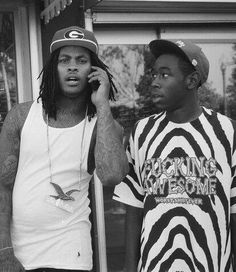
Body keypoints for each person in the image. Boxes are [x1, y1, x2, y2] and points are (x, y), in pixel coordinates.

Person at [0, 26, 129, 271]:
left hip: (71, 252)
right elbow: (2, 187)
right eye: (64, 60)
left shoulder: (105, 125)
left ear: (94, 70)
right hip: (20, 253)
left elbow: (112, 175)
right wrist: (4, 250)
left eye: (82, 61)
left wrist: (102, 105)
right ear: (53, 69)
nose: (72, 67)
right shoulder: (21, 116)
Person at [113, 39, 236, 272]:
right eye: (154, 74)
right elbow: (133, 208)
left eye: (165, 75)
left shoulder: (228, 133)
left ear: (191, 81)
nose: (154, 82)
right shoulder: (142, 132)